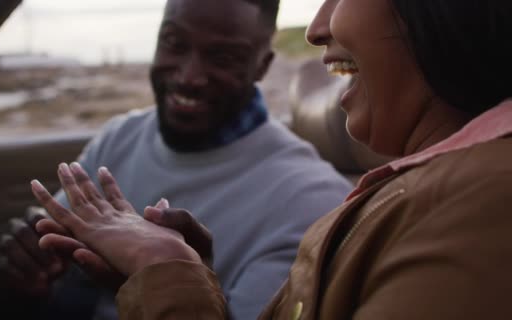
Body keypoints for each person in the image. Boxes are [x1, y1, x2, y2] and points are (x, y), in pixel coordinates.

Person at [31, 0, 512, 318]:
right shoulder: (418, 193)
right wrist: (182, 278)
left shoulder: (484, 207)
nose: (318, 27)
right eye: (175, 44)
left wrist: (165, 276)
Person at [0, 0, 352, 318]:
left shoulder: (308, 201)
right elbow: (48, 262)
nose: (188, 76)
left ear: (262, 66)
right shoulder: (121, 136)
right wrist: (26, 272)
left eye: (222, 57)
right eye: (174, 44)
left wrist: (171, 277)